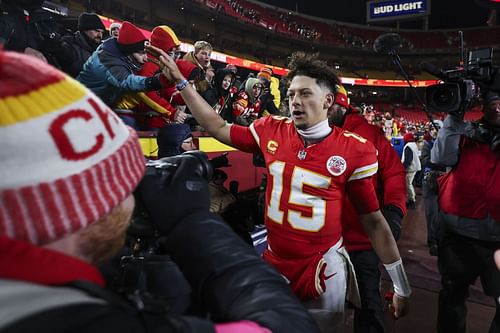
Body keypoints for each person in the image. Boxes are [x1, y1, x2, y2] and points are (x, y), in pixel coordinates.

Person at [0, 49, 320, 333]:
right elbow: (284, 324)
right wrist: (192, 224)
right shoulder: (89, 320)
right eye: (126, 179)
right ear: (81, 207)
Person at [154, 48, 411, 332]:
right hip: (274, 260)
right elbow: (218, 127)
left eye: (305, 94)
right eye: (291, 95)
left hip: (322, 268)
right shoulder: (271, 129)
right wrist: (181, 83)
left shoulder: (355, 148)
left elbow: (373, 222)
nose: (295, 102)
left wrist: (401, 284)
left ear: (328, 100)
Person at [328, 84, 407, 333]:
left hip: (359, 240)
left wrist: (394, 210)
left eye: (330, 104)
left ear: (340, 105)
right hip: (323, 239)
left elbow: (393, 172)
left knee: (368, 305)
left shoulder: (367, 133)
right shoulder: (312, 131)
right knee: (322, 305)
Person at [431, 91, 500, 333]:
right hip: (460, 233)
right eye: (493, 103)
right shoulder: (465, 130)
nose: (498, 109)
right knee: (452, 300)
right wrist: (454, 119)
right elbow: (440, 157)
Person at [77, 21, 166, 127]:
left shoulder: (118, 54)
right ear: (128, 52)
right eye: (141, 53)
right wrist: (159, 81)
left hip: (93, 106)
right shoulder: (108, 61)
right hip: (80, 106)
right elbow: (128, 81)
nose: (146, 58)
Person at [420, 120, 445, 256]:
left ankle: (441, 239)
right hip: (430, 180)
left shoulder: (445, 145)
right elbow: (425, 160)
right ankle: (433, 241)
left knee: (443, 213)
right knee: (431, 212)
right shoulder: (427, 144)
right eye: (432, 129)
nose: (434, 131)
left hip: (444, 181)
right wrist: (439, 164)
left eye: (437, 129)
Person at [57, 12, 106, 77]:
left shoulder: (101, 50)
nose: (100, 35)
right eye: (96, 31)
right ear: (85, 30)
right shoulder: (68, 43)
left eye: (101, 32)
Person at [401, 132, 421, 209]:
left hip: (411, 168)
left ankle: (412, 200)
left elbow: (408, 160)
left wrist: (403, 168)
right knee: (410, 183)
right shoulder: (413, 144)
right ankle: (412, 197)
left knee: (408, 184)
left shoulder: (408, 146)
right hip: (415, 167)